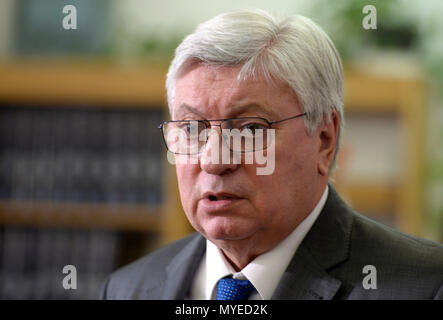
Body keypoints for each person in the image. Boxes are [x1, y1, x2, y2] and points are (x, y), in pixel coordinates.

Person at [100, 9, 443, 300]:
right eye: (192, 129)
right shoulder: (126, 289)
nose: (214, 161)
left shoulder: (426, 286)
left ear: (324, 139)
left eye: (250, 130)